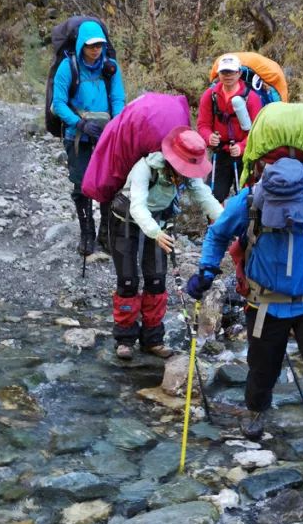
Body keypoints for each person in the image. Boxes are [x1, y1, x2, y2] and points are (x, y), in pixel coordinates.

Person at [186, 157, 303, 514]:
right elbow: (218, 233)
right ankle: (256, 410)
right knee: (260, 370)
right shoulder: (249, 201)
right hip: (264, 303)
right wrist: (207, 270)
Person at [110, 126, 223, 361]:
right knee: (128, 280)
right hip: (126, 222)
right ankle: (125, 339)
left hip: (159, 225)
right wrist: (155, 233)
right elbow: (137, 206)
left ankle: (153, 339)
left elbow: (206, 198)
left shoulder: (188, 176)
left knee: (156, 280)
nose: (186, 173)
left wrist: (226, 222)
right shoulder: (145, 168)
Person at [50, 19, 126, 255]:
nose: (96, 49)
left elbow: (118, 99)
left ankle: (105, 234)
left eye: (100, 45)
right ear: (82, 44)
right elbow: (58, 104)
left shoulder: (109, 67)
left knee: (107, 184)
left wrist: (115, 126)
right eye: (91, 45)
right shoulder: (68, 67)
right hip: (77, 136)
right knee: (81, 185)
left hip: (106, 136)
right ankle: (87, 233)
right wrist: (80, 123)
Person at [197, 54, 263, 203]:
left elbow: (257, 132)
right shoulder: (210, 95)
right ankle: (217, 225)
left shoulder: (251, 98)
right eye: (224, 72)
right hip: (220, 154)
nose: (227, 76)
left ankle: (243, 225)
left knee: (246, 196)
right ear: (218, 74)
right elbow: (203, 125)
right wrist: (208, 137)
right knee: (213, 197)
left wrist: (242, 146)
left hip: (245, 156)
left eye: (231, 72)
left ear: (239, 73)